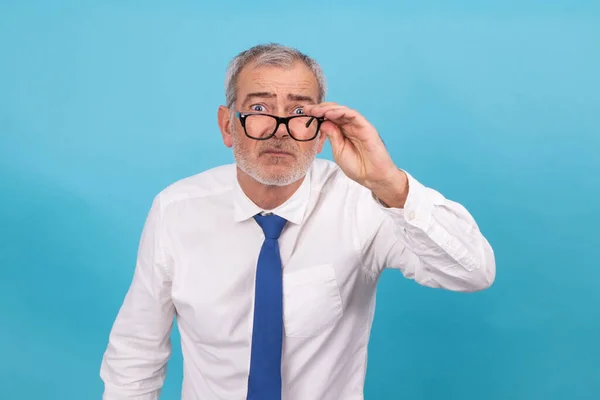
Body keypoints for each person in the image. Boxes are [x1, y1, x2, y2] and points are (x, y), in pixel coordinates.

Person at [100, 43, 496, 400]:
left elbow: (473, 272)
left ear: (321, 132)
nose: (279, 131)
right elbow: (136, 353)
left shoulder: (365, 203)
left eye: (300, 112)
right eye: (258, 109)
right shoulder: (176, 209)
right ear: (227, 125)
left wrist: (389, 183)